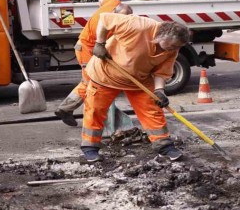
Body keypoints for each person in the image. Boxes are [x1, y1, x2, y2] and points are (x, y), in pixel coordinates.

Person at [80, 15, 190, 163]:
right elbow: (105, 19)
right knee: (95, 110)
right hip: (105, 74)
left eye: (178, 47)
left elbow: (161, 72)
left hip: (139, 80)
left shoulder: (172, 50)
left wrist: (159, 91)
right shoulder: (139, 26)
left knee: (152, 110)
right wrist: (100, 43)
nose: (175, 50)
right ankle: (90, 148)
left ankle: (164, 146)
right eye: (173, 46)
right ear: (162, 35)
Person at [54, 0, 133, 126]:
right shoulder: (107, 26)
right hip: (87, 50)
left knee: (89, 82)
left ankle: (68, 109)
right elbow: (105, 46)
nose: (122, 22)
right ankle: (66, 109)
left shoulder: (113, 2)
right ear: (115, 13)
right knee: (90, 82)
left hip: (85, 45)